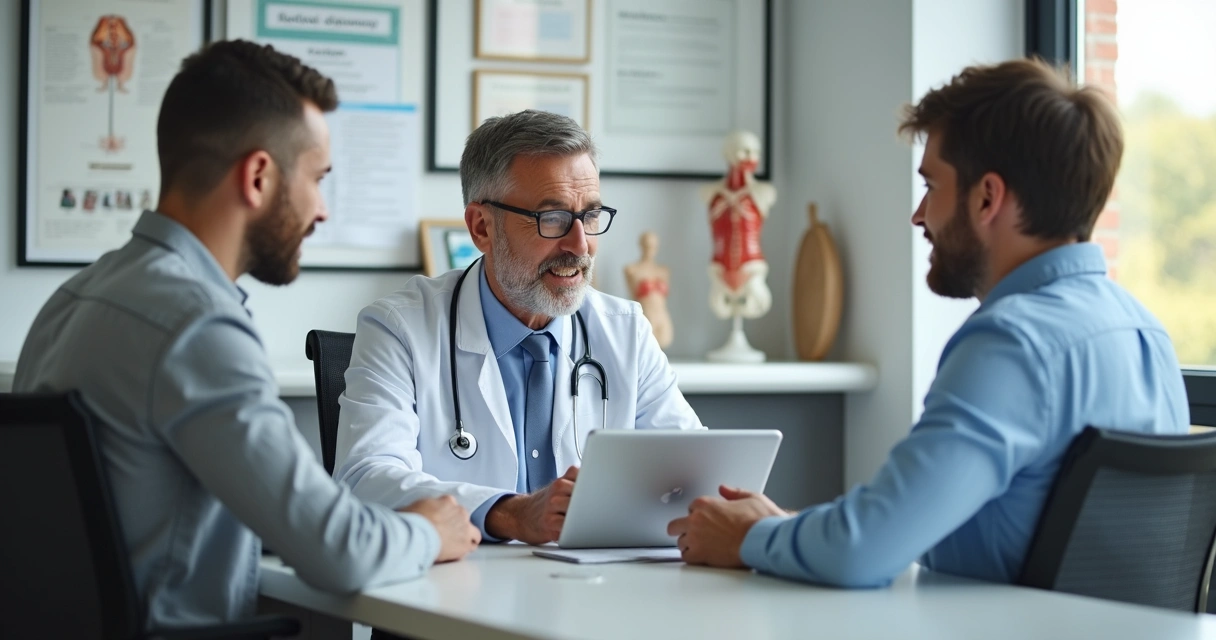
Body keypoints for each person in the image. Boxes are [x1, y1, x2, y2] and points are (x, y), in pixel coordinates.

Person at [667, 58, 1189, 586]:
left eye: (932, 186)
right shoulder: (1146, 334)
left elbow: (862, 552)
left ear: (988, 197)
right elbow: (890, 531)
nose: (919, 215)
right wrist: (784, 532)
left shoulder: (1012, 344)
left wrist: (747, 539)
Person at [14, 40, 479, 627]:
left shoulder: (76, 297)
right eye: (317, 178)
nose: (322, 210)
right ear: (258, 176)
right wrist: (428, 530)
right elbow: (337, 549)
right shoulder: (196, 325)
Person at [333, 109, 703, 546]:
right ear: (481, 227)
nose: (580, 245)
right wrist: (511, 515)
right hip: (455, 594)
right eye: (552, 219)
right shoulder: (401, 328)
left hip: (597, 595)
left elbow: (694, 472)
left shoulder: (625, 331)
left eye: (590, 215)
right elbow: (366, 476)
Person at [624, 230, 674, 349]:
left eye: (653, 246)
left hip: (663, 317)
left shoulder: (663, 271)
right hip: (646, 317)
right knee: (646, 350)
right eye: (647, 245)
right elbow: (632, 297)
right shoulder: (632, 269)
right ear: (641, 245)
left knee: (662, 350)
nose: (650, 249)